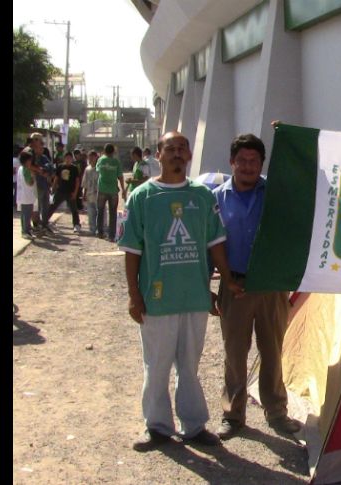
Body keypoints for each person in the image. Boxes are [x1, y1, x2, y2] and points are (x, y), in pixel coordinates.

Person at [118, 130, 243, 452]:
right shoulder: (142, 197)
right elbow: (132, 251)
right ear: (158, 155)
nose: (176, 153)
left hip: (194, 298)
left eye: (182, 148)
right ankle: (158, 427)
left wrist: (227, 279)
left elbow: (216, 243)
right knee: (157, 367)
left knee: (189, 367)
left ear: (189, 155)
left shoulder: (202, 196)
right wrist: (134, 295)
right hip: (157, 300)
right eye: (170, 148)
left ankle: (194, 426)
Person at [212, 133, 301, 440]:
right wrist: (210, 283)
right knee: (234, 353)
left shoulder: (276, 193)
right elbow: (211, 242)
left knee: (273, 351)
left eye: (254, 161)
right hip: (233, 284)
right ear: (231, 162)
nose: (248, 166)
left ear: (262, 163)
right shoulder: (217, 198)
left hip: (272, 285)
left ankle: (277, 413)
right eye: (242, 161)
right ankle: (232, 415)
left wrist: (289, 138)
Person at [95, 143, 126, 241]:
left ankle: (100, 232)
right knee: (113, 213)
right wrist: (123, 189)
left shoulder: (100, 160)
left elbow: (97, 171)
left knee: (100, 211)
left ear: (104, 151)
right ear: (113, 151)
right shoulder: (116, 162)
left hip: (102, 189)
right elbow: (120, 176)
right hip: (113, 191)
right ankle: (111, 235)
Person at [45, 152, 81, 233]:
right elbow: (56, 178)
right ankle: (44, 221)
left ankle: (76, 224)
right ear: (64, 158)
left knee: (74, 209)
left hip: (70, 192)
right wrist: (53, 188)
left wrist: (75, 193)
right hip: (60, 191)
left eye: (70, 158)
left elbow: (77, 181)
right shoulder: (60, 167)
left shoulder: (74, 168)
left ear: (72, 159)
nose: (68, 159)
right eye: (66, 158)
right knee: (53, 206)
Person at [28, 133, 55, 235]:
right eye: (38, 140)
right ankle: (36, 226)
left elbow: (51, 168)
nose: (40, 144)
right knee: (36, 207)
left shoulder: (43, 157)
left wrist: (48, 174)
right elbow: (28, 166)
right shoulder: (29, 153)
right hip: (35, 184)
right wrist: (41, 171)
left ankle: (44, 225)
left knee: (45, 206)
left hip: (44, 184)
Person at [16, 148, 38, 239]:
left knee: (24, 214)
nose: (31, 162)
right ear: (26, 160)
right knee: (27, 214)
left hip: (23, 195)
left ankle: (26, 230)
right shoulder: (26, 169)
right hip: (27, 195)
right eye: (30, 160)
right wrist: (33, 176)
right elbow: (29, 183)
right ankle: (26, 231)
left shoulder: (20, 168)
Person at [82, 150, 100, 235]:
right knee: (90, 212)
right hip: (89, 193)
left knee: (99, 211)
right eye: (90, 157)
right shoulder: (87, 169)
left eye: (93, 157)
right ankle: (92, 229)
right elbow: (85, 182)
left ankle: (100, 228)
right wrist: (84, 194)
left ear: (96, 157)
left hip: (98, 193)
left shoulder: (99, 168)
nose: (91, 158)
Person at [13, 145, 22, 209]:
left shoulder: (15, 160)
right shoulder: (17, 161)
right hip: (16, 179)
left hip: (15, 179)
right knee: (16, 193)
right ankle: (15, 204)